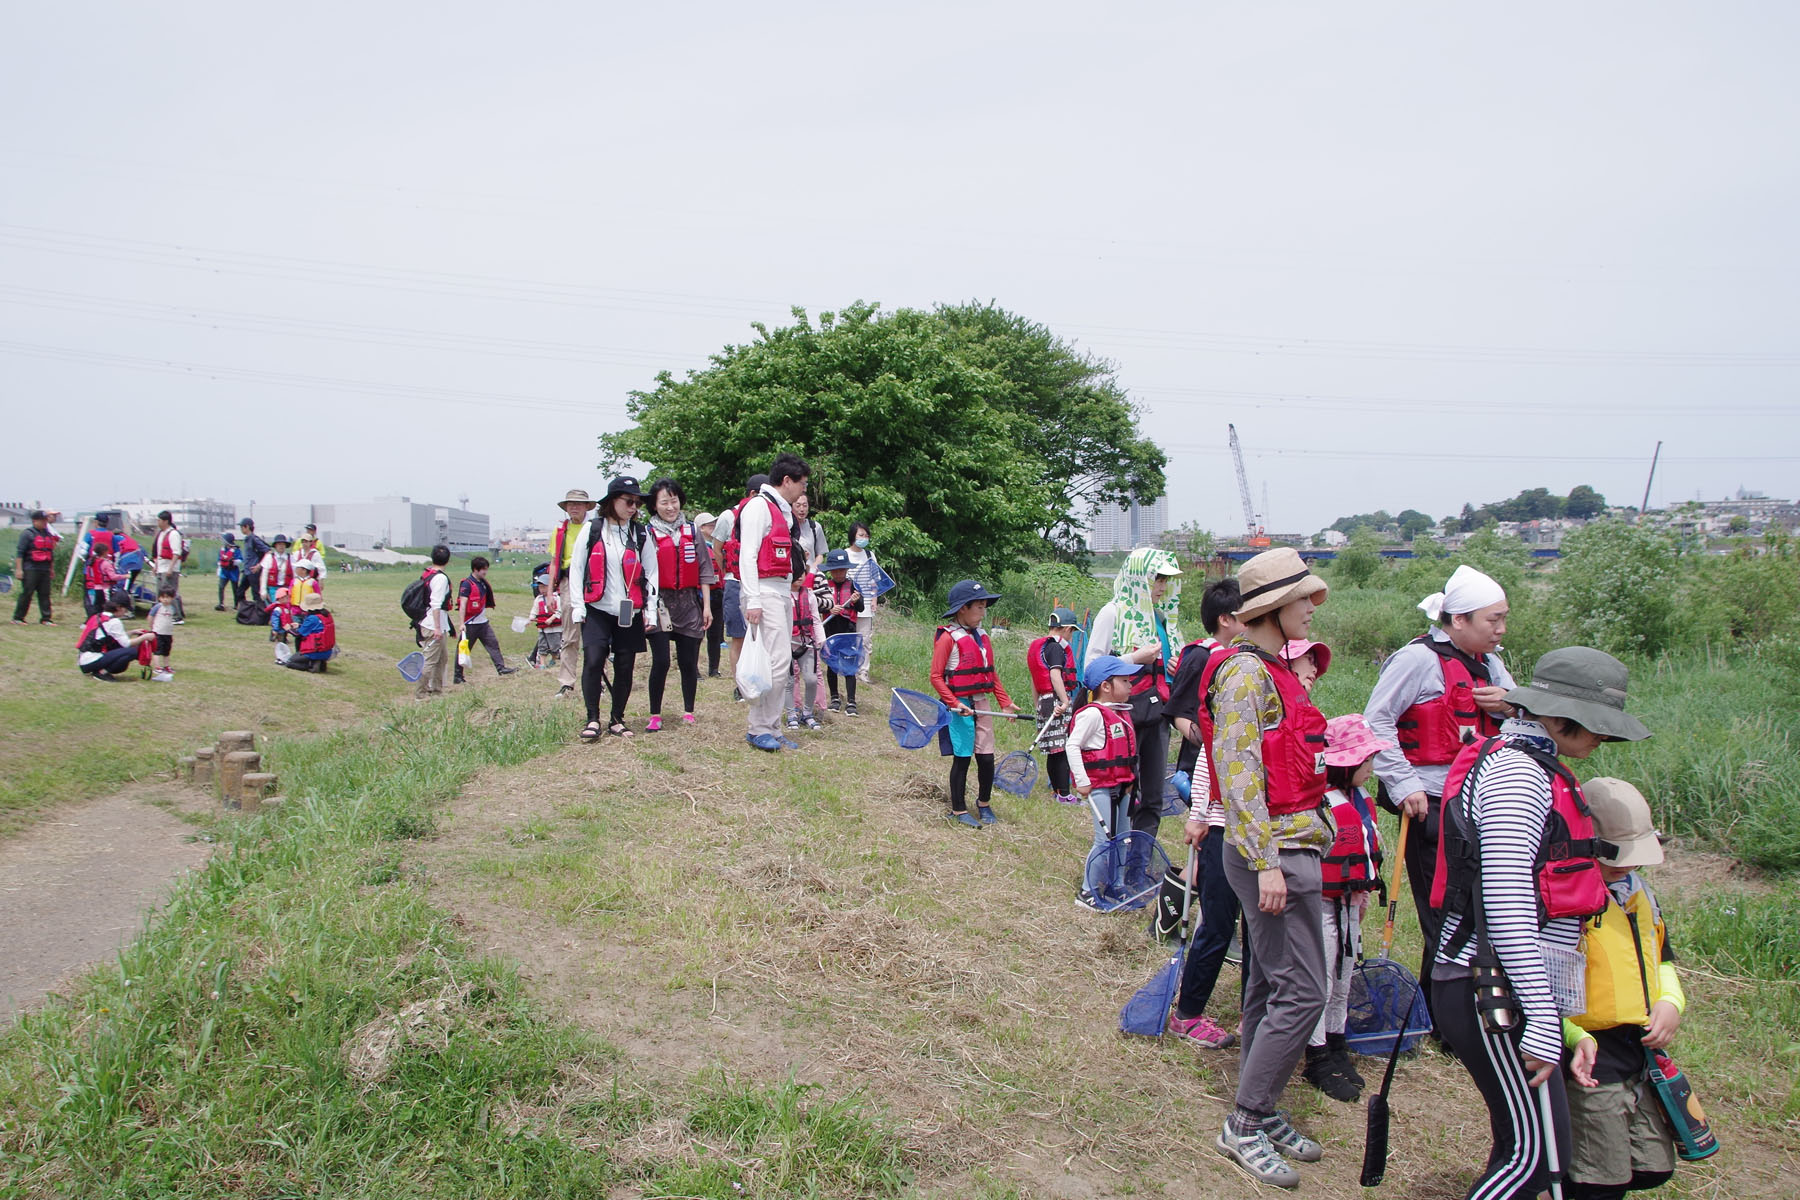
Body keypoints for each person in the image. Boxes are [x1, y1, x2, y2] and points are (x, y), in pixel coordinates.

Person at [1430, 647, 1651, 1200]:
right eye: (1596, 725)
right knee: (1531, 1163)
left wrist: (1553, 1015)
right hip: (1488, 985)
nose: (1601, 739)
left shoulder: (1533, 762)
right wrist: (1544, 1022)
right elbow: (1506, 908)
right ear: (1557, 716)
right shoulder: (1518, 777)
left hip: (1506, 984)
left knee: (1532, 1151)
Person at [1203, 547, 1331, 1190]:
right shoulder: (1247, 676)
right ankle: (1246, 1121)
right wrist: (1267, 864)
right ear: (1274, 609)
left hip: (1281, 849)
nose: (1313, 606)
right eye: (1305, 597)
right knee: (1303, 990)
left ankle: (1264, 1105)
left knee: (1267, 986)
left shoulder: (1269, 670)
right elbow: (1240, 774)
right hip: (1270, 854)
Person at [1365, 563, 1515, 1030]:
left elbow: (1522, 717)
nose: (1501, 629)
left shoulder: (1491, 664)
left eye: (1504, 618)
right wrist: (1404, 783)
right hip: (1431, 803)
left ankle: (1441, 1007)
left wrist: (1509, 704)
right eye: (1493, 620)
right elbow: (1377, 721)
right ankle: (1452, 1020)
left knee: (1475, 905)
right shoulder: (1417, 660)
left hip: (1480, 801)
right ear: (1459, 620)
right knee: (1445, 911)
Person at [1563, 778, 1686, 1200]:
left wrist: (1670, 1001)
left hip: (1639, 1049)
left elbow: (1662, 958)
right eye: (1616, 856)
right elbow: (1536, 983)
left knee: (1652, 1168)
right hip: (1590, 1052)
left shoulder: (1640, 894)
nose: (1626, 867)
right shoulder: (1564, 902)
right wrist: (1572, 1035)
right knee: (1599, 1179)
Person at [1166, 577, 1247, 1051]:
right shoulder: (1208, 659)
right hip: (1208, 792)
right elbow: (1181, 709)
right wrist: (1199, 811)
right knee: (1217, 916)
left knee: (1237, 921)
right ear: (1227, 618)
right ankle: (1188, 1011)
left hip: (1238, 812)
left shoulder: (1250, 664)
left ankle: (1249, 1007)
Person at [1302, 712, 1392, 1104]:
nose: (1371, 766)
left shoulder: (1361, 799)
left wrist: (1363, 896)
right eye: (1366, 759)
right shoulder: (1320, 801)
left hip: (1349, 901)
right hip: (1321, 904)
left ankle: (1337, 1043)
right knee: (1320, 979)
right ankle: (1315, 1056)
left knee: (1343, 976)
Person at [1085, 548, 1184, 869]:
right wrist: (1133, 659)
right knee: (1120, 794)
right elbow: (1091, 669)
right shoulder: (1113, 613)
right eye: (1157, 578)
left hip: (1157, 718)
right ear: (1138, 576)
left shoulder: (1162, 619)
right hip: (1121, 719)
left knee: (1152, 797)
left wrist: (1173, 667)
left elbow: (1166, 671)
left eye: (1167, 580)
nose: (1161, 586)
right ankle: (1111, 865)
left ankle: (1138, 869)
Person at [568, 475, 657, 740]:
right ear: (612, 502)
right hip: (597, 607)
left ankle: (617, 719)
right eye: (629, 502)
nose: (634, 508)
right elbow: (577, 569)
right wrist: (578, 607)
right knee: (594, 660)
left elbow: (651, 572)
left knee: (626, 665)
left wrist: (651, 611)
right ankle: (592, 718)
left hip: (630, 612)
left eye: (637, 503)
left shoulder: (640, 533)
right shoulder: (594, 529)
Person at [930, 578, 1018, 825]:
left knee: (987, 756)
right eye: (978, 607)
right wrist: (954, 703)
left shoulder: (983, 636)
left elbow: (990, 673)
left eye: (984, 606)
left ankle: (984, 804)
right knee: (963, 757)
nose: (983, 612)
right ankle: (959, 810)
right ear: (962, 609)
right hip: (959, 705)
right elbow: (936, 676)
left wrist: (1005, 702)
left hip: (981, 702)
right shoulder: (948, 638)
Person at [739, 459, 806, 752]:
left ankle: (772, 726)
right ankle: (759, 728)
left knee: (781, 663)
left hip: (780, 590)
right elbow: (748, 555)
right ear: (788, 480)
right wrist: (753, 599)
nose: (804, 491)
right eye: (803, 483)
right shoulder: (758, 507)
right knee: (777, 663)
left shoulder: (782, 510)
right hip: (763, 592)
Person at [1069, 655, 1143, 904]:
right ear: (1106, 686)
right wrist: (1082, 781)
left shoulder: (1121, 713)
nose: (1131, 685)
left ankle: (1116, 884)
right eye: (1125, 680)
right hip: (1101, 787)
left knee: (1123, 837)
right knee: (1104, 840)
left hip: (1123, 786)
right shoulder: (1092, 715)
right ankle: (1087, 891)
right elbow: (1072, 745)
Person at [645, 479, 714, 730]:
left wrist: (706, 607)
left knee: (688, 662)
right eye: (664, 502)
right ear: (654, 505)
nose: (670, 507)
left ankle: (688, 710)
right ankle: (655, 714)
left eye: (674, 501)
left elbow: (705, 570)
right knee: (661, 661)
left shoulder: (691, 531)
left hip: (688, 603)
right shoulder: (648, 533)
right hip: (660, 604)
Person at [715, 472, 770, 693]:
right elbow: (718, 549)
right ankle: (740, 685)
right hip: (735, 582)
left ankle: (759, 680)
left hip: (761, 584)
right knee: (738, 636)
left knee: (760, 637)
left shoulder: (768, 515)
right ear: (752, 494)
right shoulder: (728, 517)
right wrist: (731, 573)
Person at [1025, 607, 1080, 803]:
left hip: (1044, 700)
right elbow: (1055, 675)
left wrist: (1037, 703)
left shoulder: (1037, 647)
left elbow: (1034, 679)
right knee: (1062, 748)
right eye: (1072, 631)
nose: (1072, 636)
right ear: (1065, 628)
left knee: (1052, 749)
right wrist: (1065, 700)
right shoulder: (1056, 647)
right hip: (1056, 700)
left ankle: (1057, 791)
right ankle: (1064, 794)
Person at [546, 488, 595, 699]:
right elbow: (554, 562)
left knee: (596, 635)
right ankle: (567, 682)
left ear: (587, 507)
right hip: (567, 584)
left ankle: (597, 680)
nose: (574, 507)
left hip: (592, 583)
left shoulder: (595, 528)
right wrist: (549, 592)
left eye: (578, 503)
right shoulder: (560, 532)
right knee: (569, 635)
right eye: (570, 504)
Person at [817, 548, 864, 715]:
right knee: (832, 664)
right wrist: (830, 608)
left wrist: (857, 600)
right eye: (835, 570)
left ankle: (851, 701)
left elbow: (861, 607)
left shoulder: (853, 586)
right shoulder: (825, 586)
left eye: (842, 570)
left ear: (846, 570)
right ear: (830, 571)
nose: (838, 573)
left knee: (849, 665)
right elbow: (817, 605)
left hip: (848, 631)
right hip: (830, 630)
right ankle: (835, 698)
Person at [457, 555, 516, 680]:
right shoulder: (467, 584)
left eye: (486, 569)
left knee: (493, 643)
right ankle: (458, 676)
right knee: (463, 649)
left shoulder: (482, 583)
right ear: (475, 569)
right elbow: (462, 604)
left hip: (483, 623)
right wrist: (461, 623)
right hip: (470, 624)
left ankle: (501, 668)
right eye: (483, 569)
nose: (485, 572)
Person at [786, 563, 828, 734]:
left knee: (811, 679)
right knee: (788, 681)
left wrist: (821, 639)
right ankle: (791, 715)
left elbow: (816, 620)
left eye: (802, 573)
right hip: (787, 643)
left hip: (807, 642)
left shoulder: (809, 595)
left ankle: (807, 713)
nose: (800, 576)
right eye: (796, 573)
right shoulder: (782, 596)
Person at [76, 589, 152, 680]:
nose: (125, 612)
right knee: (132, 651)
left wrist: (132, 632)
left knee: (123, 652)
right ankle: (102, 673)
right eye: (125, 609)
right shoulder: (114, 621)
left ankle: (99, 671)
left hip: (84, 661)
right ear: (119, 607)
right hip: (92, 659)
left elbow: (112, 637)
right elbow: (126, 644)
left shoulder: (99, 616)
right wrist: (145, 637)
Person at [414, 545, 455, 699]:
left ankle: (436, 691)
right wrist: (438, 628)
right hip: (433, 625)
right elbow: (436, 604)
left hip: (432, 623)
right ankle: (421, 694)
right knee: (430, 661)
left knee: (442, 658)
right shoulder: (440, 578)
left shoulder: (428, 573)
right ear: (448, 560)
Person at [843, 520, 880, 682]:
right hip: (848, 604)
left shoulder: (870, 555)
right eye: (861, 535)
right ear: (853, 536)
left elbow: (874, 580)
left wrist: (874, 599)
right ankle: (846, 667)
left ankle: (863, 671)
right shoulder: (845, 554)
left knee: (865, 638)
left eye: (866, 535)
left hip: (865, 606)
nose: (864, 538)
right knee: (848, 637)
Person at [11, 509, 61, 625]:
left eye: (45, 520)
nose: (44, 522)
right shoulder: (27, 534)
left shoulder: (47, 534)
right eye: (42, 520)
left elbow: (50, 553)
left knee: (45, 594)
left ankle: (46, 618)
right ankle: (18, 618)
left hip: (44, 568)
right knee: (27, 593)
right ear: (34, 521)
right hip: (30, 568)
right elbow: (20, 553)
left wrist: (51, 569)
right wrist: (19, 569)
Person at [695, 512, 726, 677]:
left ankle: (714, 669)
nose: (714, 527)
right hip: (699, 595)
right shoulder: (695, 546)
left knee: (715, 635)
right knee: (697, 635)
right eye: (710, 525)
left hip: (717, 594)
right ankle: (695, 670)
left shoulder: (717, 546)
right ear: (701, 528)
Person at [285, 592, 337, 672]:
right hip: (328, 651)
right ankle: (320, 662)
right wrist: (299, 625)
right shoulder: (326, 615)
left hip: (314, 651)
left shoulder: (312, 618)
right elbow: (317, 628)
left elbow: (297, 634)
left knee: (289, 662)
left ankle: (310, 665)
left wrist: (288, 629)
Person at [151, 510, 186, 623]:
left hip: (169, 568)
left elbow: (176, 553)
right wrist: (156, 566)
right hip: (161, 567)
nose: (158, 522)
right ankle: (164, 613)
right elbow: (158, 553)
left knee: (171, 592)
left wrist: (171, 568)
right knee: (161, 593)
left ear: (166, 521)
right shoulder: (161, 534)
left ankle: (176, 616)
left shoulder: (173, 534)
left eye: (159, 520)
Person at [527, 574, 562, 670]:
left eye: (544, 587)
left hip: (554, 629)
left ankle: (554, 659)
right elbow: (534, 610)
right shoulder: (538, 599)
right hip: (542, 628)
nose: (541, 589)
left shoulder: (556, 598)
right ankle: (542, 663)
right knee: (542, 645)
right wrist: (531, 618)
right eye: (540, 587)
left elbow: (560, 610)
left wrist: (551, 619)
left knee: (555, 646)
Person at [147, 584, 178, 681]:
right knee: (157, 651)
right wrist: (152, 627)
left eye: (168, 597)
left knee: (166, 651)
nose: (165, 599)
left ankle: (166, 666)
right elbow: (150, 616)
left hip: (168, 633)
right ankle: (157, 667)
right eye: (163, 597)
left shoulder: (172, 608)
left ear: (172, 598)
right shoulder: (157, 607)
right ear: (159, 598)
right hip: (158, 633)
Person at [789, 493, 827, 572]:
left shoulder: (815, 527)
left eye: (805, 505)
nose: (802, 509)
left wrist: (813, 569)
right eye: (798, 505)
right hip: (792, 574)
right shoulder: (787, 526)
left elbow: (820, 555)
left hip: (810, 574)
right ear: (791, 506)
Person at [238, 518, 271, 604]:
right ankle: (245, 611)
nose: (241, 529)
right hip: (247, 571)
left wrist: (259, 565)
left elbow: (268, 551)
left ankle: (261, 612)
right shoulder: (247, 539)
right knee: (240, 591)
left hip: (253, 571)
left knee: (256, 594)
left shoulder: (254, 539)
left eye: (242, 527)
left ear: (247, 527)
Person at [259, 533, 297, 603]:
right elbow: (264, 575)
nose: (281, 546)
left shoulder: (291, 558)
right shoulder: (269, 557)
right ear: (275, 545)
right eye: (279, 544)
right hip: (273, 589)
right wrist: (263, 590)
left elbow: (295, 575)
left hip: (287, 588)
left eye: (283, 544)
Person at [215, 532, 243, 611]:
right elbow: (219, 560)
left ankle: (236, 604)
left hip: (233, 571)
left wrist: (233, 561)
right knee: (221, 586)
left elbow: (240, 560)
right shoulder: (222, 549)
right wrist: (220, 565)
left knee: (235, 588)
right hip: (224, 571)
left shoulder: (236, 550)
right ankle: (221, 604)